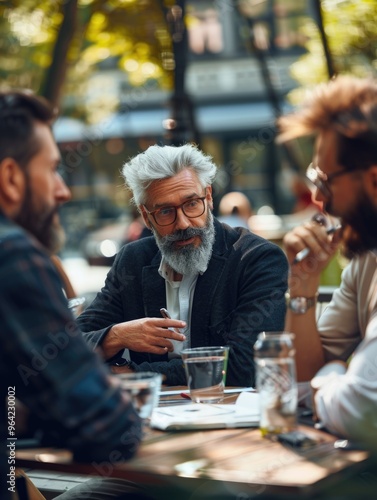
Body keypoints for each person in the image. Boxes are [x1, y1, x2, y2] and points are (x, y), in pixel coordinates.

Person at [0, 90, 152, 500]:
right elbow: (106, 430)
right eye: (52, 169)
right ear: (11, 178)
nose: (63, 190)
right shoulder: (12, 254)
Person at [77, 144, 288, 387]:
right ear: (146, 217)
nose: (183, 223)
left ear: (208, 197)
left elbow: (246, 366)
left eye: (191, 204)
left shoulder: (256, 259)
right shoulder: (133, 261)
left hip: (228, 415)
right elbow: (71, 345)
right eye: (166, 211)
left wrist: (139, 374)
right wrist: (116, 336)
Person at [278, 76, 377, 448]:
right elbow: (298, 385)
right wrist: (301, 286)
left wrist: (331, 375)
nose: (321, 201)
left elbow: (363, 410)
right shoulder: (368, 259)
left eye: (327, 180)